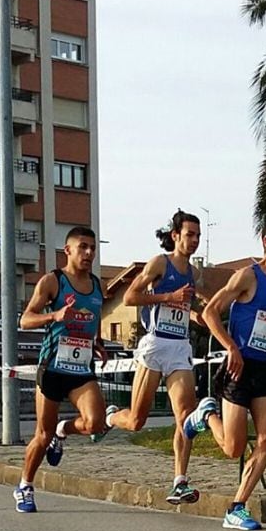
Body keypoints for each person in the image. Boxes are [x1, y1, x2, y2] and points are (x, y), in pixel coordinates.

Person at [183, 215, 266, 531]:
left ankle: (236, 507)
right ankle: (206, 415)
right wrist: (231, 347)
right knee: (233, 447)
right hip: (238, 367)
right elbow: (209, 313)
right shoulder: (246, 277)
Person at [104, 210, 208, 504]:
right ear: (175, 236)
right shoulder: (159, 263)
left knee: (185, 417)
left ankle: (180, 481)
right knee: (137, 420)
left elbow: (187, 308)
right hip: (155, 344)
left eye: (198, 236)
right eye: (190, 235)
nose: (194, 241)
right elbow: (129, 298)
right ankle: (111, 416)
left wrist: (199, 316)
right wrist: (168, 297)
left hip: (179, 347)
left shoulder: (194, 273)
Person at [12, 226, 109, 513]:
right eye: (83, 247)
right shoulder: (53, 281)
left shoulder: (95, 284)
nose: (89, 253)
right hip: (53, 367)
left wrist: (99, 341)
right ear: (67, 250)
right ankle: (25, 485)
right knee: (41, 437)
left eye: (92, 248)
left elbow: (94, 315)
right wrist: (54, 315)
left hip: (81, 369)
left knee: (96, 424)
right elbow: (25, 320)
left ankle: (63, 430)